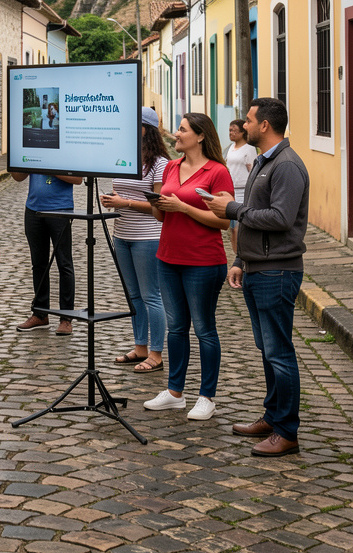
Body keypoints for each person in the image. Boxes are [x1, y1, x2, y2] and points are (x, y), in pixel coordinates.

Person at [209, 97, 309, 457]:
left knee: (279, 353)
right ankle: (272, 416)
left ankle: (287, 431)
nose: (243, 125)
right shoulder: (265, 162)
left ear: (264, 125)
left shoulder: (287, 166)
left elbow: (280, 218)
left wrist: (231, 208)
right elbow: (256, 219)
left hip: (277, 272)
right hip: (256, 267)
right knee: (267, 351)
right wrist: (240, 259)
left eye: (249, 120)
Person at [143, 112, 233, 421]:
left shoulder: (217, 172)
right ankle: (174, 393)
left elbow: (224, 221)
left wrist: (182, 206)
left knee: (205, 329)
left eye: (181, 130)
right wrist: (158, 204)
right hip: (168, 258)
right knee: (177, 328)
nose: (175, 134)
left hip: (203, 262)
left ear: (200, 136)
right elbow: (162, 218)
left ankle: (207, 397)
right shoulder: (171, 166)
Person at [100, 106, 169, 373]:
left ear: (145, 129)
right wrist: (113, 200)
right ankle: (140, 347)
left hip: (148, 236)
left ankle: (156, 353)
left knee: (151, 295)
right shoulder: (125, 158)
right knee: (133, 296)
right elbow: (120, 191)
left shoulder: (160, 165)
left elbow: (158, 208)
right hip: (123, 235)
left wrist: (124, 202)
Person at [11, 171, 81, 335]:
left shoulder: (64, 148)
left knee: (64, 264)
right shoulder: (32, 147)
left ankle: (66, 318)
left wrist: (48, 167)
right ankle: (40, 314)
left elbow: (77, 179)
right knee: (38, 264)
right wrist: (16, 162)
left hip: (60, 208)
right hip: (33, 208)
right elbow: (18, 177)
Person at [226, 118, 257, 232]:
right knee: (232, 227)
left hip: (243, 191)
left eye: (234, 130)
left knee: (239, 227)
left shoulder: (249, 149)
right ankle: (235, 249)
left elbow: (252, 170)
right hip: (231, 190)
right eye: (229, 130)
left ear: (243, 132)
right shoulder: (231, 148)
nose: (231, 133)